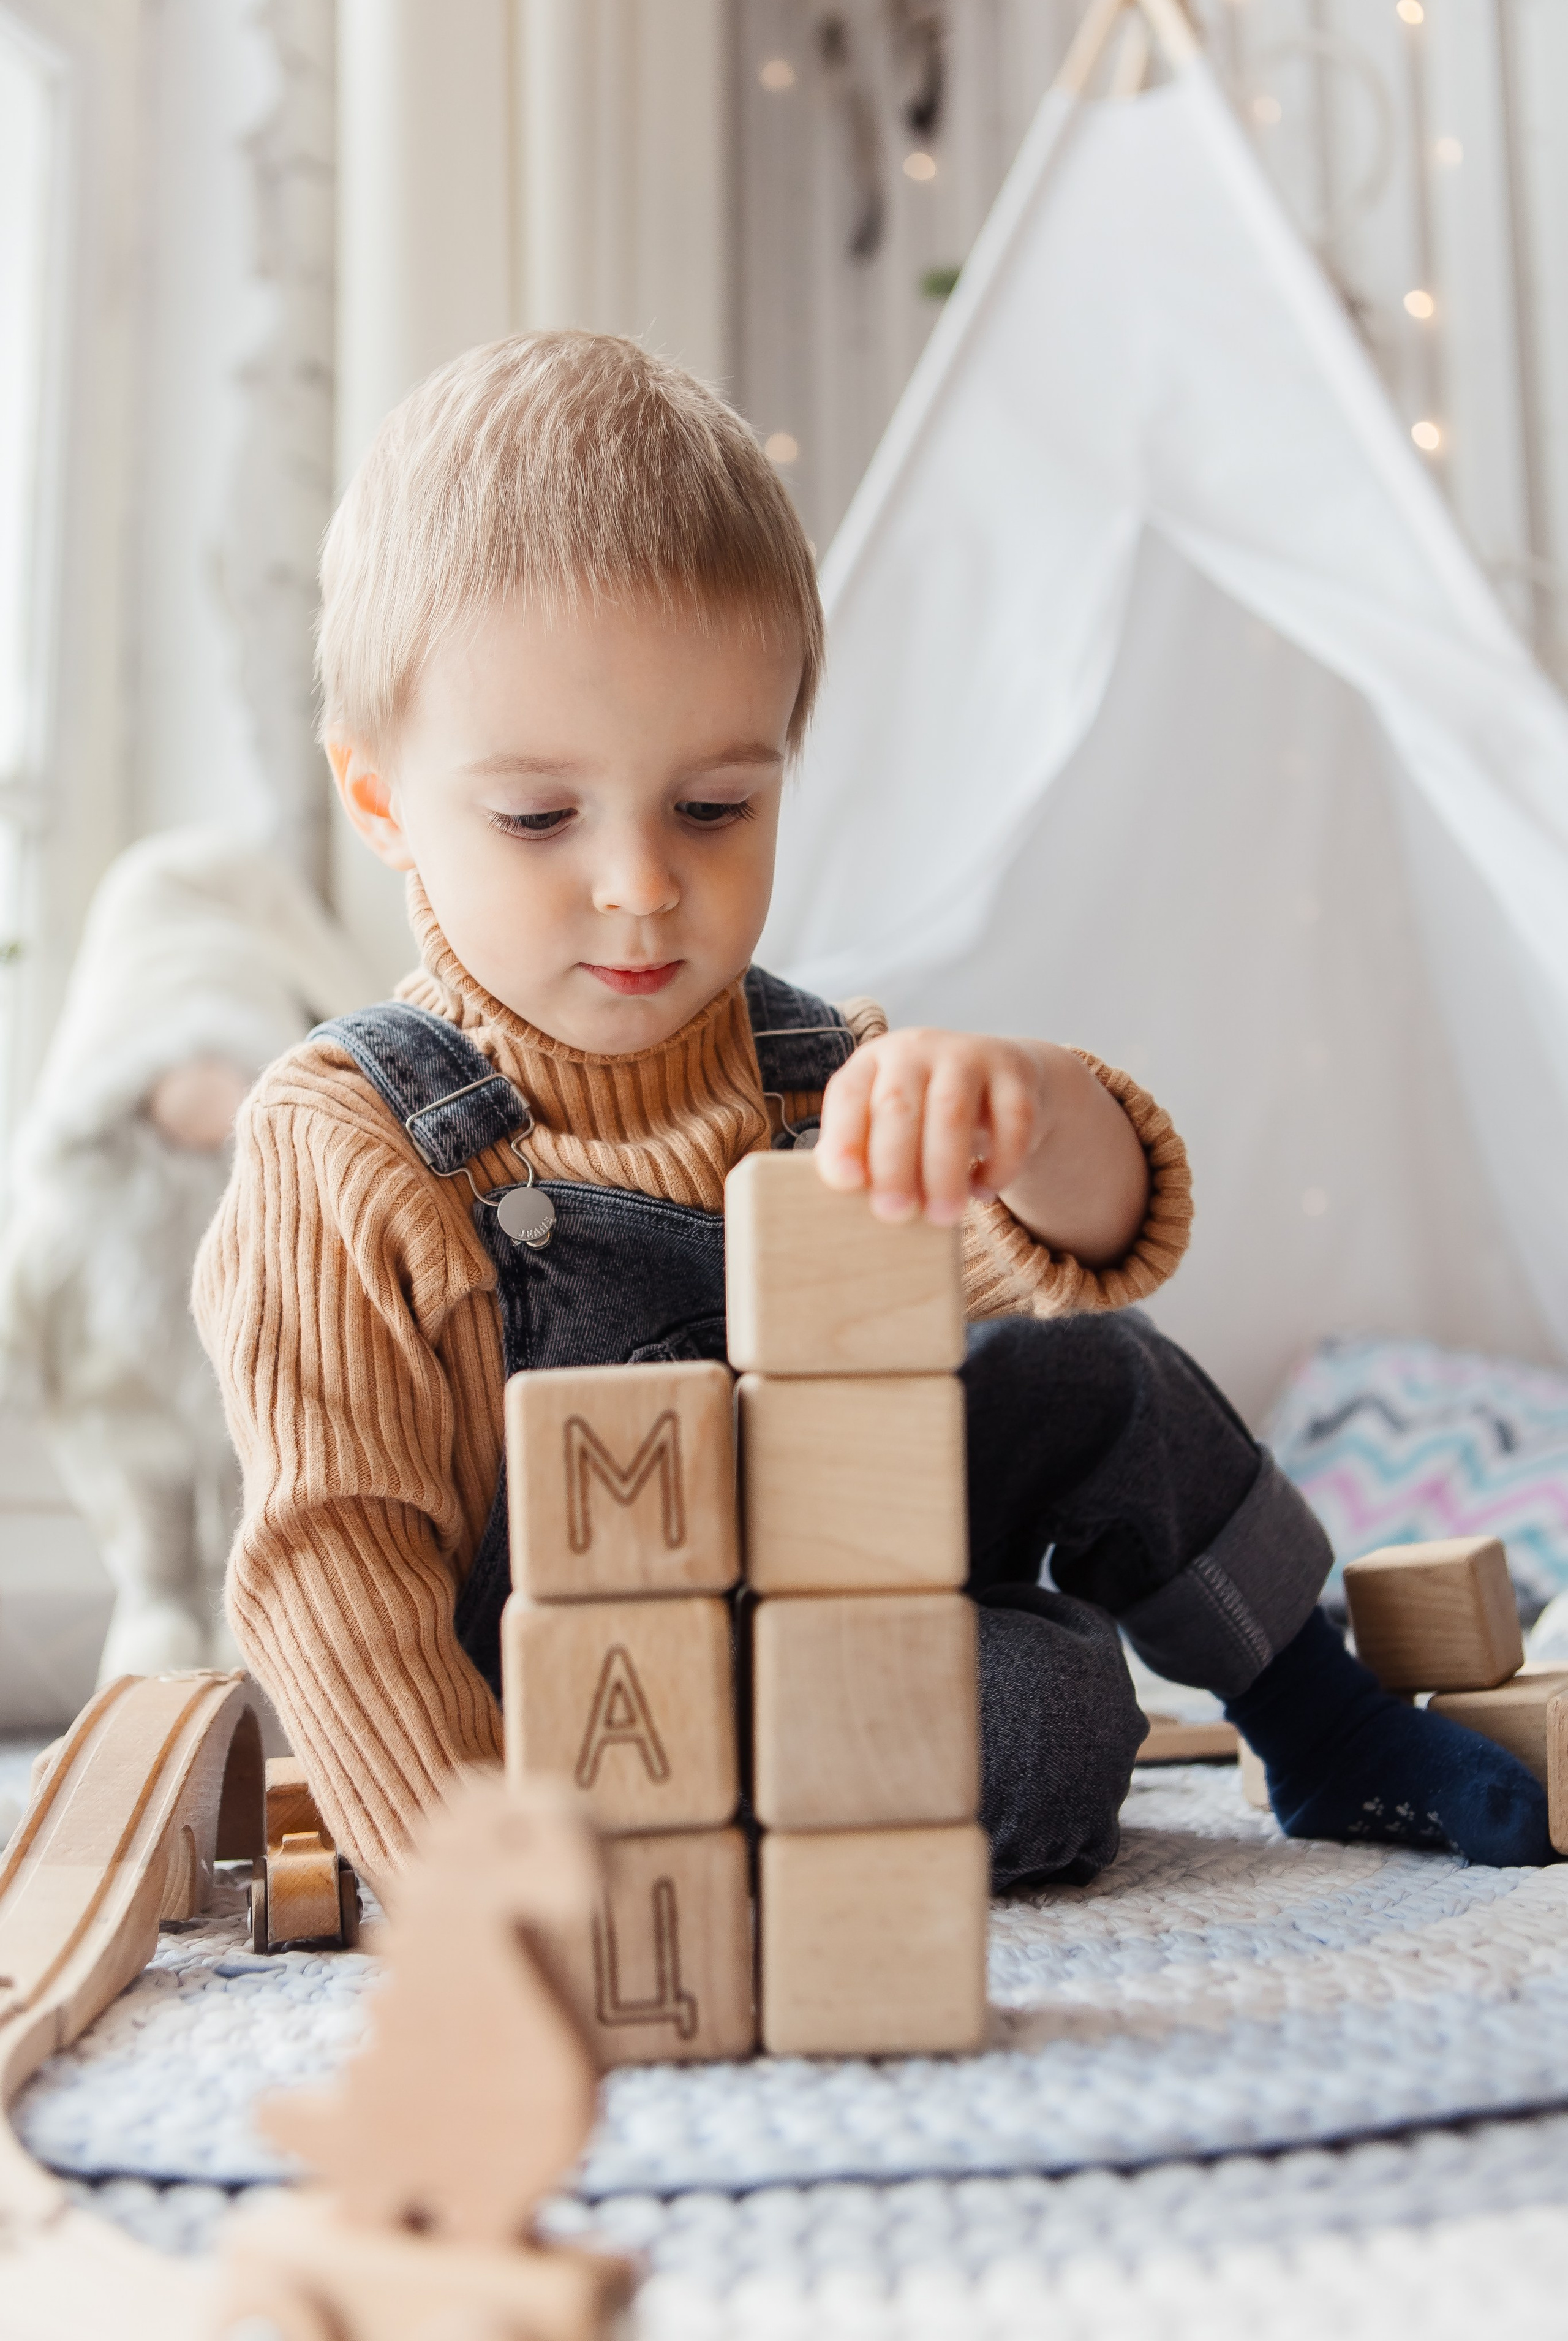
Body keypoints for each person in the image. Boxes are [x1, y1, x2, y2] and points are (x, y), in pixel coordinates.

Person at [194, 333, 1550, 1897]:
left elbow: (1080, 1252)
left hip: (839, 1560)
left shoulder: (806, 1072)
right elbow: (336, 1567)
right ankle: (803, 1830)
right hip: (590, 1716)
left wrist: (1033, 1121)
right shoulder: (352, 1147)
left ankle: (1320, 1720)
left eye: (715, 807)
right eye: (539, 817)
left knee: (1089, 1370)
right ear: (380, 802)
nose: (641, 885)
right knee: (1044, 1718)